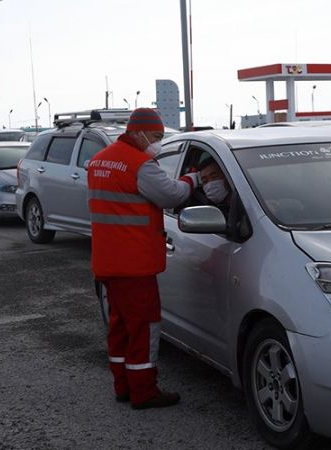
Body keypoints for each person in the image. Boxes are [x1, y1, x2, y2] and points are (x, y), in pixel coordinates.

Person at [87, 108, 198, 410]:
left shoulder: (100, 161)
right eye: (156, 136)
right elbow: (172, 195)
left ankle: (123, 386)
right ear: (138, 132)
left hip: (107, 261)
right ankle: (144, 392)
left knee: (120, 327)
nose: (158, 143)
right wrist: (193, 179)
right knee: (144, 328)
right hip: (134, 264)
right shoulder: (139, 164)